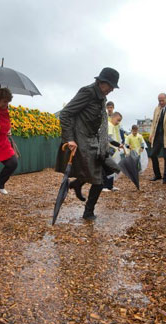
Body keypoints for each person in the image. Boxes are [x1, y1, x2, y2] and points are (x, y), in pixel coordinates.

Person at [56, 67, 120, 220]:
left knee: (110, 168)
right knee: (99, 180)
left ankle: (77, 184)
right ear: (101, 82)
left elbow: (100, 122)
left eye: (113, 87)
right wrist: (69, 139)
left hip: (94, 141)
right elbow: (65, 114)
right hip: (81, 140)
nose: (111, 90)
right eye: (110, 86)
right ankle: (88, 212)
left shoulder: (102, 97)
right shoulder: (88, 92)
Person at [103, 111, 123, 192]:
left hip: (112, 150)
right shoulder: (110, 125)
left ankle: (110, 186)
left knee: (111, 168)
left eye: (119, 121)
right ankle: (104, 186)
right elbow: (109, 139)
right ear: (113, 117)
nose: (118, 122)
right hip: (107, 150)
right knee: (107, 168)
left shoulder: (113, 126)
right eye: (118, 120)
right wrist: (118, 145)